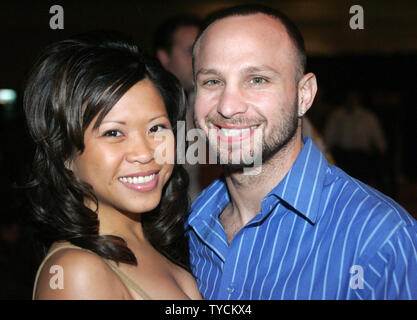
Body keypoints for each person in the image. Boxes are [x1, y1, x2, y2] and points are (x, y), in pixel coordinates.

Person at [186, 4, 417, 300]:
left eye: (257, 79)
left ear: (304, 95)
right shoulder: (191, 223)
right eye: (212, 82)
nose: (228, 106)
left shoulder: (382, 239)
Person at [24, 32, 201, 300]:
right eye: (114, 133)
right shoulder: (77, 272)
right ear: (64, 154)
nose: (144, 153)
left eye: (156, 127)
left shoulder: (160, 249)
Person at [155, 15, 222, 201]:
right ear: (164, 57)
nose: (197, 59)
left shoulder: (213, 103)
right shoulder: (148, 108)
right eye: (189, 51)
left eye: (202, 51)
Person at [324, 89, 387, 184]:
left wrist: (381, 148)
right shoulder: (337, 115)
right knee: (344, 184)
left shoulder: (367, 116)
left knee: (362, 185)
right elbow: (329, 136)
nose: (351, 99)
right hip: (343, 156)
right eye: (349, 96)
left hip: (362, 157)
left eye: (354, 97)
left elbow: (376, 134)